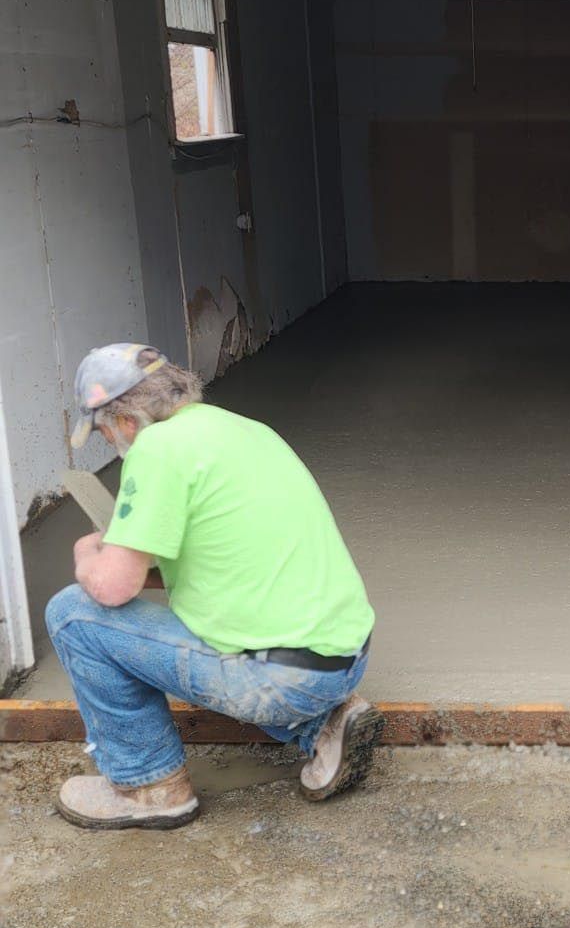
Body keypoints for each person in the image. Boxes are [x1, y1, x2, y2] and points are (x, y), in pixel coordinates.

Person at [46, 343, 380, 832]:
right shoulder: (243, 429)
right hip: (342, 659)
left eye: (104, 429)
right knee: (198, 632)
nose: (110, 440)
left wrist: (86, 551)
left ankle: (148, 786)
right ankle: (324, 726)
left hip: (280, 680)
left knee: (73, 614)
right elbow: (218, 560)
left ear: (128, 420)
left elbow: (113, 589)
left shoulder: (157, 449)